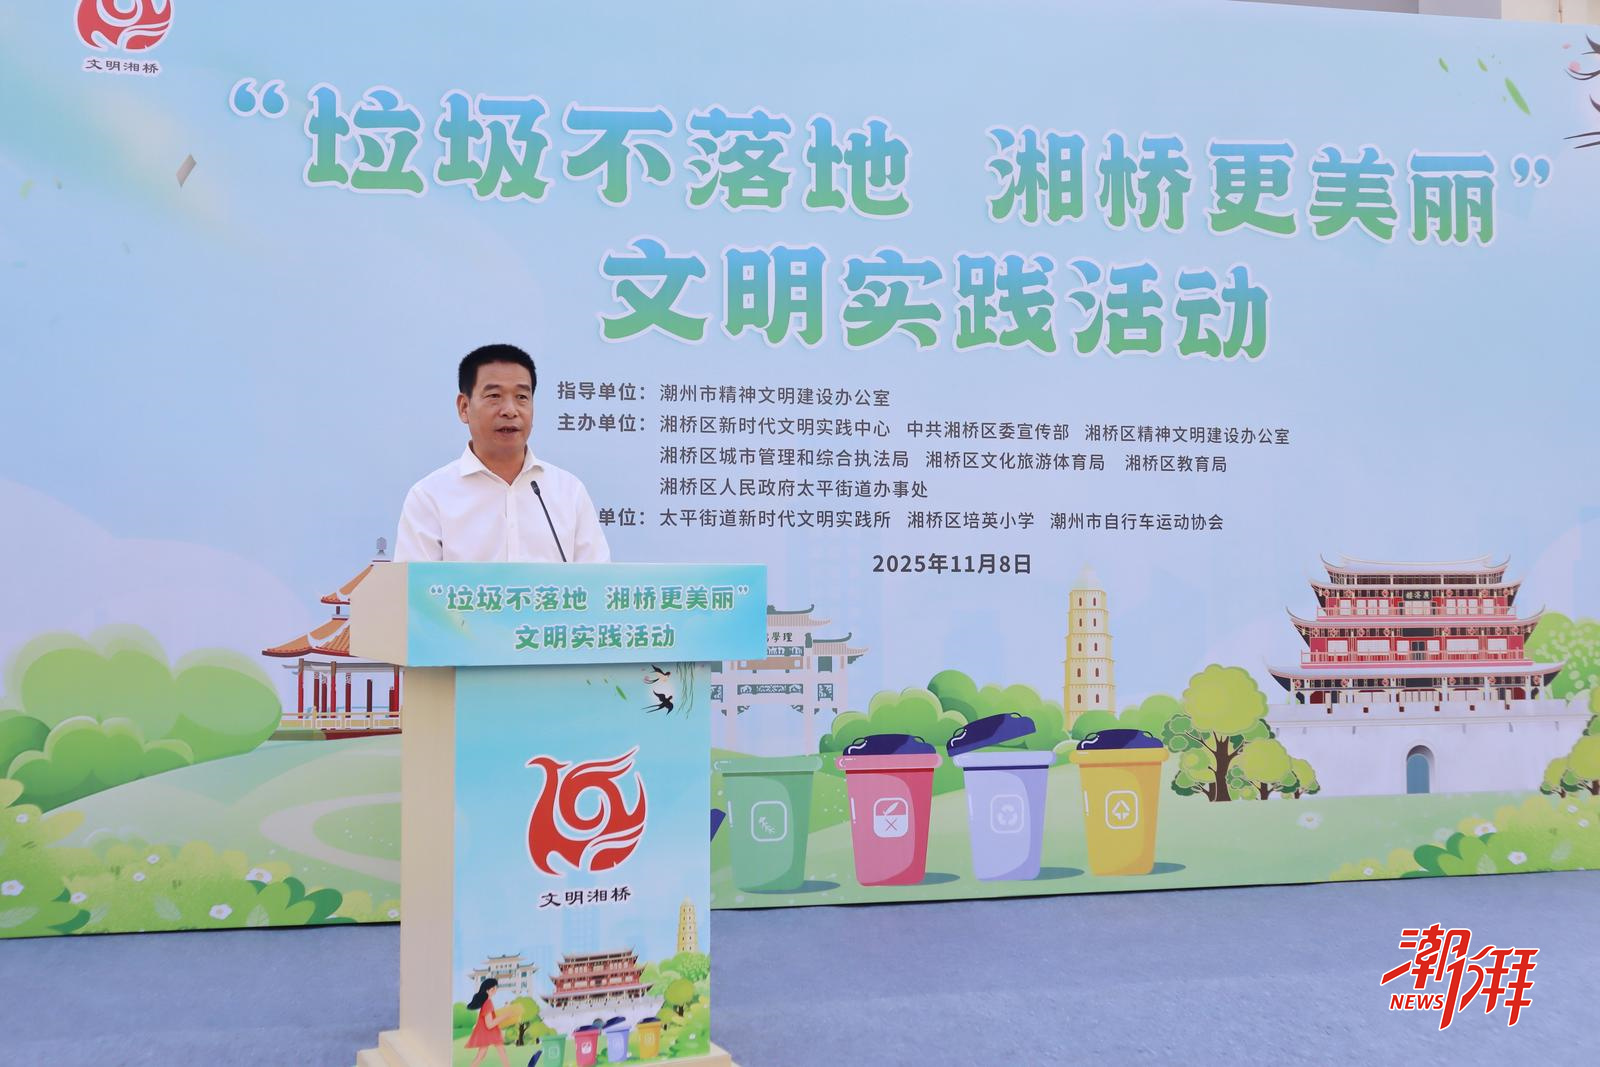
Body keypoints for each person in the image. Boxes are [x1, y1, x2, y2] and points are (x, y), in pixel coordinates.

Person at [395, 343, 610, 563]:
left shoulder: (569, 492)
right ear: (464, 407)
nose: (510, 410)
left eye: (521, 397)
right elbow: (411, 583)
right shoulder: (429, 497)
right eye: (494, 396)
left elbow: (597, 579)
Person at [464, 977, 512, 1067]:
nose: (495, 990)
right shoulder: (488, 1003)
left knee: (490, 1053)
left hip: (489, 1032)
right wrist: (505, 1016)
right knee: (487, 1054)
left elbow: (492, 1016)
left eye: (496, 988)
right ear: (487, 990)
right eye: (493, 989)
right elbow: (489, 1024)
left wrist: (505, 1009)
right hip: (488, 1031)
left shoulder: (487, 1002)